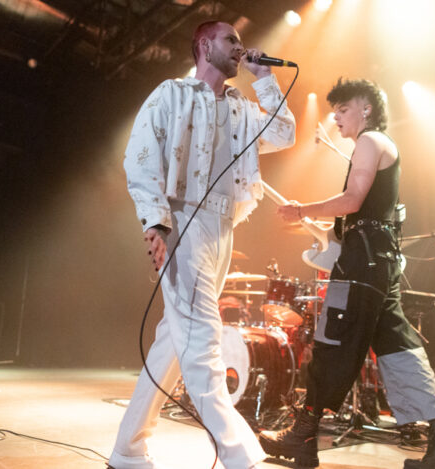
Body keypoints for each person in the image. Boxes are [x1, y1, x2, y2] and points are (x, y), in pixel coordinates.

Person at [259, 78, 435, 469]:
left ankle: (303, 435)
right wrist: (323, 228)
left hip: (364, 264)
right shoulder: (378, 145)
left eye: (343, 109)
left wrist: (301, 210)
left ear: (367, 109)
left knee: (334, 340)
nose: (336, 117)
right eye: (335, 111)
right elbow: (366, 214)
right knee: (399, 348)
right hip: (378, 261)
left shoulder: (370, 140)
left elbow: (352, 200)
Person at [108, 21, 295, 469]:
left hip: (223, 227)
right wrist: (156, 221)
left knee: (174, 342)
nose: (240, 47)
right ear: (205, 45)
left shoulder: (242, 107)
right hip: (183, 220)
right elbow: (140, 158)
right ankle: (241, 457)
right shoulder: (172, 94)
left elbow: (284, 134)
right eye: (231, 40)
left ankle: (127, 449)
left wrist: (265, 79)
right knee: (203, 340)